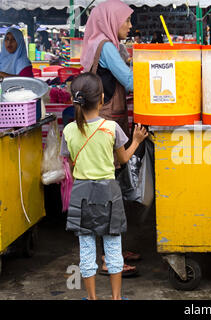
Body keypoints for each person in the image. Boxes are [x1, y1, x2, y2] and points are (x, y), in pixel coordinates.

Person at [61, 72, 148, 300]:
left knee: (87, 250)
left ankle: (91, 298)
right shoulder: (110, 128)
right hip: (108, 193)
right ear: (102, 98)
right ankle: (116, 298)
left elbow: (71, 162)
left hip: (81, 193)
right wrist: (137, 140)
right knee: (113, 247)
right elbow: (122, 159)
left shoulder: (69, 131)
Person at [81, 0, 139, 277]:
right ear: (111, 20)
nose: (130, 25)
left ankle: (113, 249)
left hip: (101, 122)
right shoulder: (105, 46)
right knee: (109, 192)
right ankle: (107, 258)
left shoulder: (101, 44)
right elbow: (129, 81)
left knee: (110, 191)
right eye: (126, 20)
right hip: (107, 123)